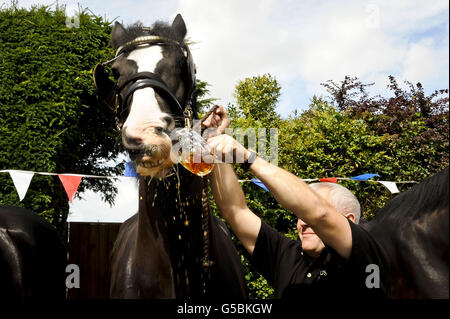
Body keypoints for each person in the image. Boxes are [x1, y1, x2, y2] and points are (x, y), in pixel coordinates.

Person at [202, 106, 391, 299]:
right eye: (301, 216)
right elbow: (234, 211)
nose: (304, 222)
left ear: (349, 220)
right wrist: (215, 143)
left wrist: (248, 158)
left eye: (308, 215)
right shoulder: (285, 255)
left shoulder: (365, 253)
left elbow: (319, 213)